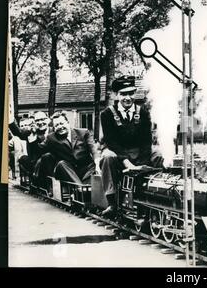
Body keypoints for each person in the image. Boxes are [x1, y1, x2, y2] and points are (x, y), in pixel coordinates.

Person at [100, 75, 164, 216]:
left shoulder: (143, 112)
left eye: (131, 93)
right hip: (117, 153)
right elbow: (111, 142)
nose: (127, 98)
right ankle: (111, 202)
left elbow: (146, 141)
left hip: (138, 152)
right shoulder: (106, 114)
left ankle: (155, 194)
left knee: (158, 153)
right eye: (123, 94)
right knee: (107, 157)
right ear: (116, 95)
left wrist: (141, 164)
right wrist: (127, 162)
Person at [31, 111, 100, 185]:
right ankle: (80, 188)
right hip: (68, 171)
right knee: (61, 164)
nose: (60, 127)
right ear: (54, 128)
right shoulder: (52, 138)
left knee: (94, 166)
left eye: (61, 123)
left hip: (86, 169)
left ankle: (84, 188)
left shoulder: (83, 132)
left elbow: (93, 150)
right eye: (57, 125)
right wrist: (32, 137)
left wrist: (97, 162)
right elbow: (38, 150)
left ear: (67, 122)